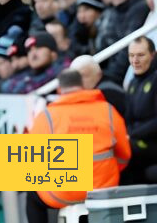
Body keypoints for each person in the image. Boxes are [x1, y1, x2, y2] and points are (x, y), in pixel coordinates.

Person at [27, 70, 130, 223]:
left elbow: (32, 162)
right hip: (104, 188)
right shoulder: (107, 110)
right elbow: (125, 155)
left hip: (64, 192)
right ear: (83, 86)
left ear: (59, 90)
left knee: (29, 189)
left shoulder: (47, 116)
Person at [122, 36, 157, 184]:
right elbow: (128, 118)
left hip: (152, 143)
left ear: (153, 55)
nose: (135, 60)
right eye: (131, 55)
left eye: (141, 55)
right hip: (136, 140)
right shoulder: (132, 82)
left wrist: (130, 135)